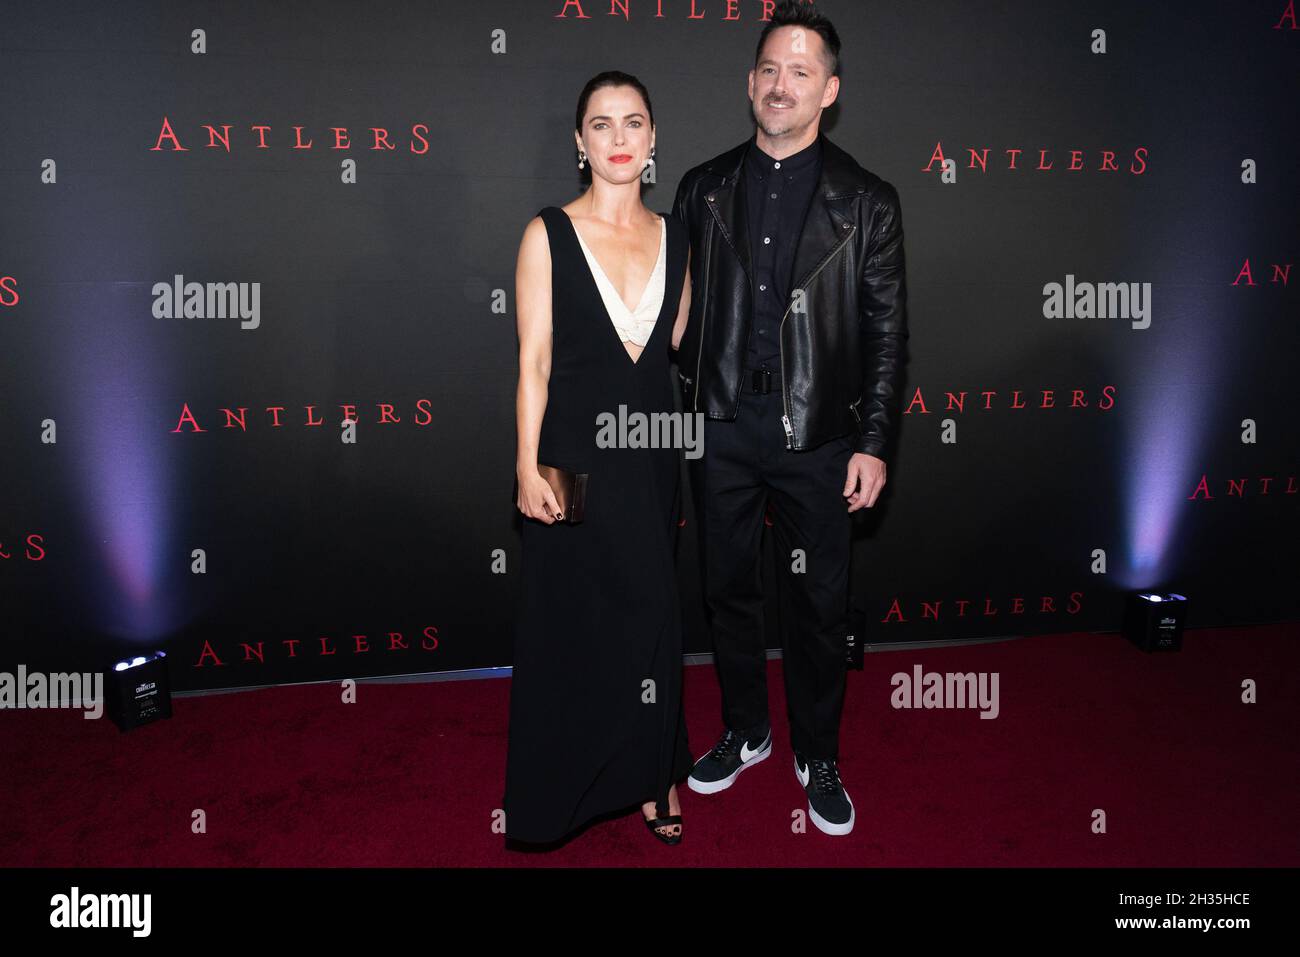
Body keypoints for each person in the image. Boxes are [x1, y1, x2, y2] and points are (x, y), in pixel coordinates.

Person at [671, 1, 909, 836]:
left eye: (801, 71)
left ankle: (819, 749)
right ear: (750, 83)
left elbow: (886, 334)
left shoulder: (869, 201)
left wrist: (875, 442)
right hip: (725, 424)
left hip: (819, 434)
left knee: (816, 602)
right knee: (727, 589)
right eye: (770, 68)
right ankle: (746, 731)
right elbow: (678, 315)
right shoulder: (702, 187)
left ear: (829, 90)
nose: (782, 84)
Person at [503, 71, 695, 846]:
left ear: (653, 141)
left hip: (650, 454)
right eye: (602, 124)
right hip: (570, 457)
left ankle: (656, 773)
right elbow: (535, 361)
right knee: (572, 623)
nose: (619, 138)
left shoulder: (679, 236)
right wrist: (524, 463)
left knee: (653, 616)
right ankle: (560, 792)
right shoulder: (546, 233)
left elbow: (676, 348)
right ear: (580, 142)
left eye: (634, 123)